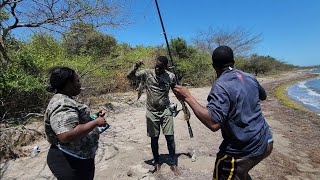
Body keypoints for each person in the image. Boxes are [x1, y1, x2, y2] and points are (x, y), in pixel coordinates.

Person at [173, 46, 273, 180]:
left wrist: (188, 97)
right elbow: (263, 96)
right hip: (266, 141)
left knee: (225, 173)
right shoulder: (249, 77)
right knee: (240, 174)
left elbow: (214, 123)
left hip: (242, 152)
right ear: (233, 61)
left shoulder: (220, 85)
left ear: (213, 65)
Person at [44, 66, 108, 180]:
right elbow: (66, 135)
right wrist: (96, 123)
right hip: (70, 160)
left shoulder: (66, 100)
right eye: (77, 80)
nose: (79, 84)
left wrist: (93, 117)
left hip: (77, 158)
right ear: (68, 83)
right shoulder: (62, 103)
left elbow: (73, 122)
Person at [127, 56, 180, 175]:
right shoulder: (147, 73)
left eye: (160, 67)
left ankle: (173, 162)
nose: (157, 68)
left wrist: (183, 103)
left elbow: (176, 91)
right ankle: (157, 162)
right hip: (151, 111)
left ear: (166, 67)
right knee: (154, 138)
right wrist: (136, 66)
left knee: (170, 137)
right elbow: (130, 77)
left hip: (166, 110)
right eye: (156, 65)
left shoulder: (170, 76)